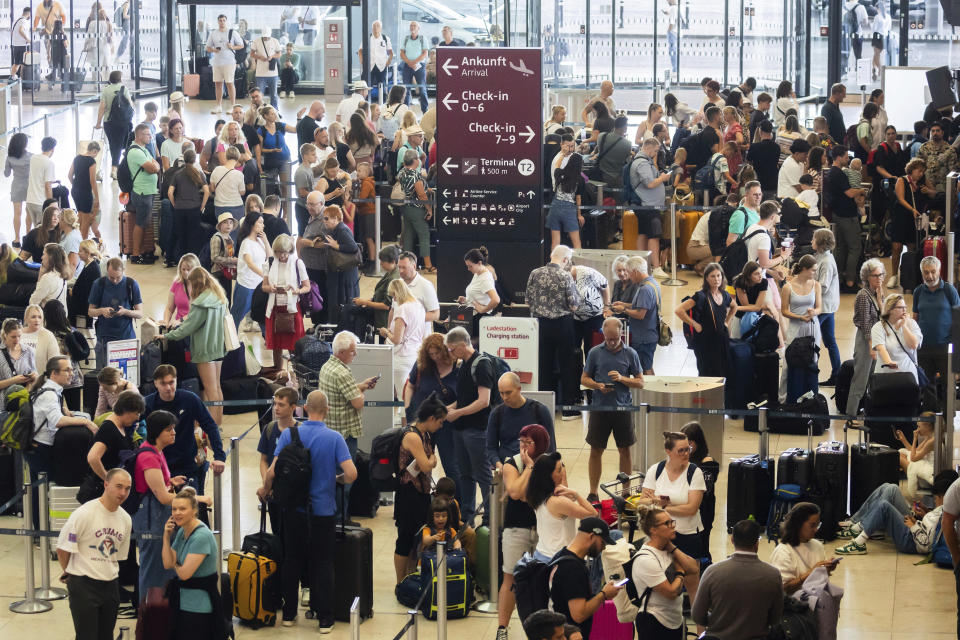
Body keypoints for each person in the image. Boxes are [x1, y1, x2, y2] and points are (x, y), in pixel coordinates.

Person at [261, 389, 356, 632]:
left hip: (294, 510)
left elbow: (271, 472)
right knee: (323, 563)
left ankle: (290, 614)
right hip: (323, 511)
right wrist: (336, 479)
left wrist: (266, 490)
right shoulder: (334, 438)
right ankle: (325, 618)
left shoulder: (289, 434)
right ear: (327, 410)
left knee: (292, 559)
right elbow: (352, 474)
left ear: (304, 408)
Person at [56, 468, 133, 640]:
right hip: (84, 584)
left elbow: (118, 556)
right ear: (106, 484)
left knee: (106, 635)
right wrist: (68, 572)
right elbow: (62, 548)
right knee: (87, 636)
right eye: (119, 486)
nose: (123, 492)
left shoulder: (126, 519)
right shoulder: (84, 513)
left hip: (111, 585)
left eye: (127, 488)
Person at [26, 356, 98, 530]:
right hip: (40, 449)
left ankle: (41, 528)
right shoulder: (49, 393)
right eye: (67, 370)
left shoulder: (51, 390)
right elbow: (57, 420)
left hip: (40, 447)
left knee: (41, 489)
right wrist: (86, 422)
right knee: (40, 491)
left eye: (71, 370)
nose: (71, 373)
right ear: (54, 373)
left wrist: (68, 412)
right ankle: (40, 531)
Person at [495, 424, 552, 638]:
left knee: (544, 577)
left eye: (530, 442)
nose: (524, 446)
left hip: (544, 529)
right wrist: (528, 468)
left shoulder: (552, 463)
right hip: (516, 528)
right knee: (510, 577)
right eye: (522, 442)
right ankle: (503, 628)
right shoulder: (513, 463)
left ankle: (544, 628)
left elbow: (557, 492)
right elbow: (515, 492)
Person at [317, 331, 378, 520]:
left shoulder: (328, 366)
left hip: (332, 429)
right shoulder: (343, 372)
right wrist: (362, 394)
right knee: (346, 478)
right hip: (345, 434)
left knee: (333, 476)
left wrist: (360, 386)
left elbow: (342, 392)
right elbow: (357, 403)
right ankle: (341, 519)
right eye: (353, 351)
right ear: (341, 352)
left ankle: (334, 517)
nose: (355, 354)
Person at [581, 317, 643, 500]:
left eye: (615, 338)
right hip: (600, 408)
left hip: (623, 409)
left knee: (625, 449)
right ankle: (593, 492)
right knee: (595, 449)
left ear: (621, 333)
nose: (612, 342)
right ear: (603, 335)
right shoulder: (594, 353)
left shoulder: (630, 353)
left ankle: (625, 492)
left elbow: (640, 382)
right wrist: (598, 386)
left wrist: (622, 379)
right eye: (608, 339)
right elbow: (584, 379)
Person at [691, 519, 783, 640]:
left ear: (732, 540)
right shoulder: (773, 575)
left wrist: (718, 620)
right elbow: (775, 619)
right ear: (757, 543)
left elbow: (697, 616)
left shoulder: (712, 572)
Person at [143, 364, 226, 495]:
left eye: (171, 382)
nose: (168, 388)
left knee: (193, 506)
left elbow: (210, 426)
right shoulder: (148, 403)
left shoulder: (190, 399)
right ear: (155, 384)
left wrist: (220, 456)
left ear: (176, 381)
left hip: (187, 465)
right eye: (163, 384)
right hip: (160, 466)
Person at [443, 326, 497, 525]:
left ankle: (490, 517)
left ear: (462, 345)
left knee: (483, 475)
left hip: (477, 429)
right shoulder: (463, 364)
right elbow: (465, 398)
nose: (450, 354)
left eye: (451, 349)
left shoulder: (481, 365)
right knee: (465, 474)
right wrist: (450, 408)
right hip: (461, 428)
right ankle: (467, 515)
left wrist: (457, 413)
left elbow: (484, 401)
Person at [161, 268, 229, 426]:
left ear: (195, 283)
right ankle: (218, 424)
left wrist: (166, 336)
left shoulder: (200, 303)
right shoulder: (219, 297)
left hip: (205, 350)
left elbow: (187, 329)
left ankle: (212, 428)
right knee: (217, 388)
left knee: (209, 389)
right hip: (219, 348)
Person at [837, 470, 956, 557]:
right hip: (914, 529)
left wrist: (914, 526)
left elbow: (925, 545)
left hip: (910, 541)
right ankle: (856, 523)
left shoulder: (945, 514)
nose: (935, 501)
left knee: (884, 505)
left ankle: (859, 537)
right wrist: (923, 515)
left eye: (936, 498)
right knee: (889, 487)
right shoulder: (943, 510)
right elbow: (932, 528)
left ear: (943, 496)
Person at [393, 393, 445, 582]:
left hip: (421, 493)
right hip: (408, 493)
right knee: (405, 539)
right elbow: (426, 464)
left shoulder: (425, 434)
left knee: (417, 540)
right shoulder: (413, 436)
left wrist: (430, 460)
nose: (441, 426)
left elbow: (429, 461)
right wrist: (431, 460)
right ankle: (401, 581)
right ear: (431, 418)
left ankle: (410, 577)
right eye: (440, 422)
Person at [162, 486, 223, 639]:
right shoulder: (183, 530)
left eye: (182, 509)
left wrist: (175, 563)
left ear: (194, 511)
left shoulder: (201, 536)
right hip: (182, 601)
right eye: (174, 509)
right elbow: (167, 564)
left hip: (199, 606)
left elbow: (184, 574)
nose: (177, 513)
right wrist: (166, 537)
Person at [527, 245, 581, 419]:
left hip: (540, 325)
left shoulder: (535, 273)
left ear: (551, 256)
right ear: (565, 260)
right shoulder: (565, 276)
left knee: (544, 365)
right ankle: (568, 409)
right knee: (567, 365)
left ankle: (545, 408)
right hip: (563, 325)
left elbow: (528, 300)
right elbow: (573, 304)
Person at [629, 506, 699, 639]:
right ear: (653, 530)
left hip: (674, 621)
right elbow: (671, 592)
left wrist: (672, 548)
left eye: (672, 521)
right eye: (667, 523)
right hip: (654, 622)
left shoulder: (667, 549)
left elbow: (694, 569)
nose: (672, 526)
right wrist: (679, 572)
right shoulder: (646, 559)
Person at [547, 516, 619, 640]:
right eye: (603, 542)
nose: (604, 547)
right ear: (591, 536)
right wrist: (604, 594)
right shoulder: (573, 568)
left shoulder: (561, 555)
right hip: (570, 635)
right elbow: (579, 615)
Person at [527, 451, 596, 562]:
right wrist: (576, 494)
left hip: (541, 554)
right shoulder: (558, 502)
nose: (563, 473)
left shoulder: (536, 495)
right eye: (559, 470)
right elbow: (593, 514)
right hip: (557, 559)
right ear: (548, 475)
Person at [675, 263, 736, 377]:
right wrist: (694, 324)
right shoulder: (701, 296)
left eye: (718, 276)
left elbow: (734, 307)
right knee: (706, 373)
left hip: (721, 340)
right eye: (713, 276)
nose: (716, 279)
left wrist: (727, 322)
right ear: (706, 278)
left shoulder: (724, 294)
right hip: (705, 342)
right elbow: (679, 310)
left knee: (722, 371)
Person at [913, 255, 960, 403]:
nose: (930, 275)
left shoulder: (949, 291)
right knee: (927, 387)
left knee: (948, 386)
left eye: (933, 271)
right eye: (926, 272)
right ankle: (930, 421)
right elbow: (915, 318)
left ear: (939, 271)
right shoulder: (918, 292)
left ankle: (948, 421)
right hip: (924, 348)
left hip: (946, 348)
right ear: (922, 274)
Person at [486, 371, 555, 467]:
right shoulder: (496, 414)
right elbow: (490, 448)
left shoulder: (540, 411)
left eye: (508, 393)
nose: (505, 397)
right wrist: (499, 465)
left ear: (519, 389)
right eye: (501, 393)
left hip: (535, 466)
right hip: (508, 466)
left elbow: (550, 447)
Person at [769, 502, 838, 594]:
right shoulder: (783, 551)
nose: (816, 529)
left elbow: (820, 581)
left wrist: (826, 569)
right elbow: (783, 589)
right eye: (812, 525)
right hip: (794, 605)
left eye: (818, 525)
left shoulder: (817, 545)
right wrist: (812, 572)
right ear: (798, 524)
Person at [262, 233, 309, 369]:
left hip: (292, 307)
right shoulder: (269, 263)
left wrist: (296, 291)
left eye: (284, 252)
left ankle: (298, 371)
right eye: (278, 252)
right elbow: (263, 287)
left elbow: (307, 287)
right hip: (275, 307)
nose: (281, 256)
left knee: (294, 344)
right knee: (276, 345)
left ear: (290, 250)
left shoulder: (297, 263)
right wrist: (270, 288)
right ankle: (278, 372)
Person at [847, 259, 887, 415]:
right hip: (866, 341)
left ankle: (866, 410)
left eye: (881, 275)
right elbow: (865, 324)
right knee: (860, 379)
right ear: (867, 277)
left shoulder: (878, 293)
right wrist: (871, 346)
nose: (879, 278)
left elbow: (884, 317)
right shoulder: (863, 295)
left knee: (872, 378)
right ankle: (851, 414)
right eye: (875, 275)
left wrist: (880, 300)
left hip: (876, 339)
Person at [87, 258, 143, 369]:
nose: (115, 281)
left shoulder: (131, 284)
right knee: (104, 377)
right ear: (107, 271)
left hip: (126, 339)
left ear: (124, 271)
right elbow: (90, 312)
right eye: (111, 277)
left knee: (127, 376)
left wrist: (125, 312)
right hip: (104, 340)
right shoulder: (99, 284)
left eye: (118, 277)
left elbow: (140, 313)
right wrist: (102, 311)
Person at [781, 254, 822, 402]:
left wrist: (813, 312)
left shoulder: (816, 285)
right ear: (804, 269)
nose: (814, 273)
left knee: (812, 359)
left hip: (812, 326)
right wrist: (800, 317)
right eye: (813, 270)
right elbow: (784, 311)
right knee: (791, 361)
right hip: (796, 327)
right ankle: (786, 397)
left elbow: (819, 308)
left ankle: (810, 395)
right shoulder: (788, 287)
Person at [824, 146, 866, 292]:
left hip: (837, 213)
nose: (848, 159)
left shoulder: (831, 172)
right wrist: (861, 190)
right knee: (855, 247)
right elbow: (849, 193)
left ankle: (839, 278)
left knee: (841, 248)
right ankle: (850, 281)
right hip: (847, 215)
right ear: (839, 157)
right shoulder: (839, 174)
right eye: (846, 156)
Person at [631, 138, 672, 275]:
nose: (656, 153)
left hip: (646, 204)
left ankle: (641, 266)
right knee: (654, 236)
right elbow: (649, 184)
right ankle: (656, 267)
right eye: (655, 150)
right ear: (648, 148)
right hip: (647, 205)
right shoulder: (642, 163)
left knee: (643, 234)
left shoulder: (644, 161)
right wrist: (663, 178)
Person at [316, 204, 360, 324]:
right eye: (323, 218)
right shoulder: (337, 229)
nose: (324, 221)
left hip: (344, 275)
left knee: (342, 300)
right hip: (341, 273)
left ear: (336, 219)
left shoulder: (342, 229)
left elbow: (353, 247)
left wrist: (337, 246)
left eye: (327, 218)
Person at [888, 158, 927, 289]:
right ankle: (894, 275)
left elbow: (932, 192)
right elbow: (900, 198)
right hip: (901, 217)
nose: (921, 174)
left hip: (913, 220)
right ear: (912, 170)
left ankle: (909, 275)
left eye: (923, 171)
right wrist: (912, 209)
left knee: (912, 248)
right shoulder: (902, 180)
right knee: (897, 247)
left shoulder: (921, 183)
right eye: (919, 171)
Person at [125, 124, 161, 264]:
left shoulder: (144, 150)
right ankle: (135, 255)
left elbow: (155, 164)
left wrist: (155, 166)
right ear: (139, 135)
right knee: (140, 223)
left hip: (148, 191)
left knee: (145, 223)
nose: (150, 136)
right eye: (147, 134)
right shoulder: (135, 152)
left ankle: (143, 251)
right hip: (142, 192)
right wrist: (155, 167)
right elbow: (153, 167)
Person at [231, 211, 273, 330]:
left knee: (261, 315)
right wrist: (265, 275)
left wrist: (265, 240)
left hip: (259, 285)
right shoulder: (246, 243)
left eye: (263, 223)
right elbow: (250, 264)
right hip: (246, 284)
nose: (262, 225)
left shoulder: (259, 241)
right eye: (260, 222)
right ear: (252, 224)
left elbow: (270, 256)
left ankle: (268, 340)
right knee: (237, 315)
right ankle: (227, 342)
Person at [871, 293, 923, 383]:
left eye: (905, 307)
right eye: (900, 307)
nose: (904, 310)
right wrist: (889, 362)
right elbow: (881, 348)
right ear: (890, 310)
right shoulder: (878, 327)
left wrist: (904, 326)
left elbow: (914, 345)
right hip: (885, 376)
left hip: (908, 377)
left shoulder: (912, 324)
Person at [397, 149, 434, 269]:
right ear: (414, 161)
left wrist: (426, 188)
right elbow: (421, 194)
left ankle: (406, 264)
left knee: (408, 236)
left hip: (405, 207)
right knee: (424, 235)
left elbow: (408, 188)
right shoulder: (415, 174)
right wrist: (429, 208)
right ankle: (428, 265)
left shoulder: (402, 172)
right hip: (416, 209)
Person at [813, 229, 841, 386]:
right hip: (828, 306)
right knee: (830, 341)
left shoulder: (827, 262)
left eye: (814, 239)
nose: (811, 241)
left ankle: (812, 372)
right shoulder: (821, 257)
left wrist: (807, 287)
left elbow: (823, 285)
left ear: (820, 243)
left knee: (813, 340)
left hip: (824, 307)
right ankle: (836, 373)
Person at [94, 71, 132, 176]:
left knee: (113, 144)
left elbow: (102, 107)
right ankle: (114, 169)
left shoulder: (106, 90)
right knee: (119, 145)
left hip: (109, 122)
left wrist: (98, 123)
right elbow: (130, 106)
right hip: (122, 122)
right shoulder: (124, 89)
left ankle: (115, 167)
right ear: (120, 78)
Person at [68, 142, 101, 243]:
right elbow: (92, 180)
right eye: (96, 153)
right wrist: (97, 197)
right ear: (94, 151)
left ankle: (75, 241)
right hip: (85, 193)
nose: (96, 155)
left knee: (80, 217)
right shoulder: (91, 161)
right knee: (86, 223)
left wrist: (76, 185)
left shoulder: (77, 158)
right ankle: (83, 245)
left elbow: (69, 175)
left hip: (75, 191)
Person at [0, 318, 37, 406]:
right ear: (5, 334)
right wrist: (14, 380)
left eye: (19, 336)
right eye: (13, 337)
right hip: (4, 406)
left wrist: (34, 376)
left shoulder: (29, 351)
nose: (17, 340)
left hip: (24, 404)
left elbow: (35, 375)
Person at [5, 132, 32, 246]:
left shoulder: (10, 157)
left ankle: (16, 239)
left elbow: (6, 174)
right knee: (29, 212)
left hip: (16, 185)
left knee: (17, 213)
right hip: (29, 185)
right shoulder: (31, 156)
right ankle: (28, 235)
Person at [26, 136, 57, 230]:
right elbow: (48, 186)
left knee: (36, 229)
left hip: (30, 200)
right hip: (41, 202)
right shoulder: (49, 163)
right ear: (53, 149)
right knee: (43, 231)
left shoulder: (33, 158)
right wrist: (51, 203)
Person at [21, 305, 59, 378]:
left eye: (39, 317)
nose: (37, 320)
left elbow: (54, 362)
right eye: (33, 317)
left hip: (40, 380)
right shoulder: (19, 333)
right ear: (26, 319)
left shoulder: (48, 335)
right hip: (17, 380)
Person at [30, 243, 70, 310]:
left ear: (50, 257)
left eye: (44, 254)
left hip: (50, 318)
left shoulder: (48, 278)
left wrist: (40, 275)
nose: (41, 257)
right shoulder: (62, 275)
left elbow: (33, 302)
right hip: (62, 316)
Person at [400, 22, 429, 112]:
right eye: (411, 26)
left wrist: (414, 62)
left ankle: (425, 111)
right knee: (406, 89)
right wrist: (409, 62)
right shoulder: (406, 39)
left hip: (419, 66)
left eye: (414, 26)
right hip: (407, 66)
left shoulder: (422, 38)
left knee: (422, 89)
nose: (412, 27)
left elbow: (425, 53)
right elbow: (402, 53)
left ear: (418, 28)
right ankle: (405, 111)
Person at [249, 30, 281, 107]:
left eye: (267, 37)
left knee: (273, 94)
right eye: (264, 37)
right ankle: (259, 109)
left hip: (273, 73)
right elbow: (252, 54)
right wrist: (259, 57)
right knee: (259, 94)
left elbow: (279, 54)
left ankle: (275, 110)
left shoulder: (275, 41)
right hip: (260, 73)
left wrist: (272, 56)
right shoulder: (256, 41)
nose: (265, 38)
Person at [361, 20, 393, 93]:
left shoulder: (385, 38)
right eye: (374, 26)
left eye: (378, 26)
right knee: (367, 86)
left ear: (381, 28)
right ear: (372, 28)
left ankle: (384, 102)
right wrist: (362, 60)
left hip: (381, 65)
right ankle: (367, 102)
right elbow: (360, 50)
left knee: (382, 86)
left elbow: (391, 52)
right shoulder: (367, 38)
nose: (376, 28)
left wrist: (388, 62)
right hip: (370, 65)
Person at [58, 209, 83, 277]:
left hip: (69, 276)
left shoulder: (72, 238)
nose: (58, 221)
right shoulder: (67, 234)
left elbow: (73, 264)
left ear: (64, 221)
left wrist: (67, 283)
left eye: (59, 218)